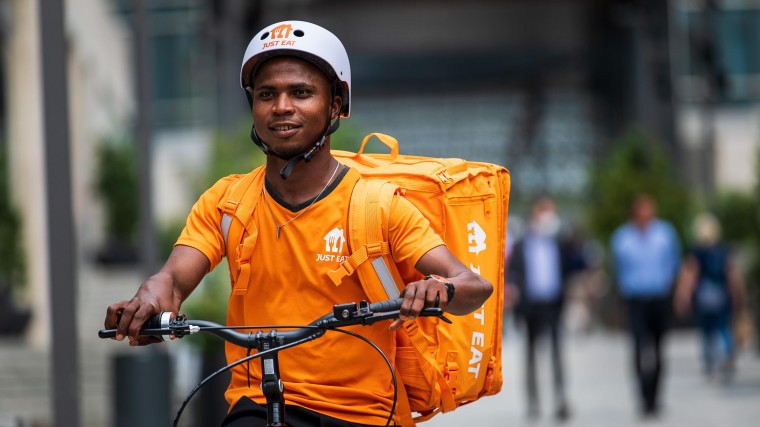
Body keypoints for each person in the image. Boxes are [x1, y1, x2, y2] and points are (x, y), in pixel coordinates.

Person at [104, 20, 492, 427]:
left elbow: (473, 286)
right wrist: (148, 299)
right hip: (257, 400)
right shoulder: (228, 202)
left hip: (364, 413)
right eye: (266, 94)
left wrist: (439, 287)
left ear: (336, 106)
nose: (282, 106)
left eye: (301, 92)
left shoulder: (376, 205)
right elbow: (172, 280)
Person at [507, 196, 584, 421]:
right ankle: (533, 403)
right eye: (544, 211)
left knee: (557, 353)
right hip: (530, 305)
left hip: (553, 303)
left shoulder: (560, 243)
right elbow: (514, 272)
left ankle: (560, 399)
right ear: (535, 213)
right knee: (530, 354)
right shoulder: (522, 244)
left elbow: (575, 265)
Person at [610, 194, 681, 417]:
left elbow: (674, 264)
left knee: (659, 350)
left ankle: (655, 396)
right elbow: (617, 270)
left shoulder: (665, 234)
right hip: (635, 299)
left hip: (659, 297)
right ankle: (642, 396)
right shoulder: (622, 237)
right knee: (639, 348)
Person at [675, 213, 745, 380]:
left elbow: (690, 275)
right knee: (723, 326)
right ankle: (726, 351)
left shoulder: (697, 251)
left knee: (706, 331)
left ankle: (709, 362)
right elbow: (732, 275)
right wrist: (738, 294)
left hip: (704, 295)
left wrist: (683, 295)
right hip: (721, 294)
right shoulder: (724, 249)